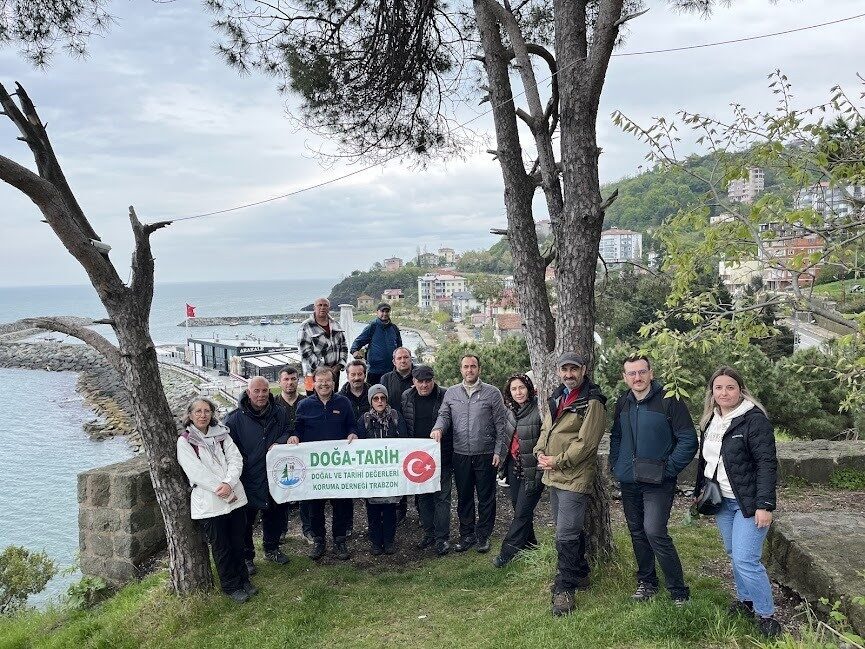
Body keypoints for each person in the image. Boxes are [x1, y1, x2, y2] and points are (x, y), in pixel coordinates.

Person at [695, 366, 781, 637]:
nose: (724, 392)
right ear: (712, 392)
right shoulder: (711, 420)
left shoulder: (753, 420)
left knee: (746, 559)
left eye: (730, 387)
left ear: (740, 390)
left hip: (748, 501)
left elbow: (767, 463)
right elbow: (708, 460)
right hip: (722, 501)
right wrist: (700, 490)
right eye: (718, 387)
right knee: (735, 554)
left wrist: (764, 505)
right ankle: (745, 601)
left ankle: (767, 615)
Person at [608, 354, 697, 605]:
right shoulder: (623, 402)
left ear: (651, 373)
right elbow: (616, 436)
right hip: (629, 480)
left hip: (658, 482)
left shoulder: (669, 401)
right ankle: (647, 582)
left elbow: (688, 440)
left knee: (655, 530)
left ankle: (678, 591)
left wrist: (667, 469)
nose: (638, 378)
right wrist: (617, 463)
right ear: (624, 377)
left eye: (642, 372)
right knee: (637, 532)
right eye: (632, 373)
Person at [533, 352, 607, 617]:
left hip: (574, 476)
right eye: (564, 369)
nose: (569, 374)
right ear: (558, 371)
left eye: (573, 369)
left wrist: (558, 461)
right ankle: (582, 573)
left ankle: (564, 589)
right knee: (567, 530)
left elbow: (587, 444)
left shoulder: (593, 402)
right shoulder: (558, 396)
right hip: (553, 474)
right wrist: (540, 451)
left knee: (565, 533)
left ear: (584, 370)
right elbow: (547, 429)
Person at [177, 398, 254, 603]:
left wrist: (229, 483)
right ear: (190, 415)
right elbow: (196, 472)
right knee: (222, 548)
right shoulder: (185, 442)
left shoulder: (221, 435)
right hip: (211, 503)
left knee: (238, 542)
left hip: (235, 497)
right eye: (198, 411)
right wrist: (222, 488)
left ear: (212, 413)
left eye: (207, 411)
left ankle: (244, 580)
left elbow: (235, 459)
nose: (203, 415)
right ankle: (231, 586)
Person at [432, 354, 508, 554]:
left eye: (473, 366)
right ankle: (467, 535)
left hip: (485, 453)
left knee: (486, 497)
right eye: (466, 367)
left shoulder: (492, 393)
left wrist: (499, 451)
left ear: (479, 369)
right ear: (461, 370)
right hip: (460, 454)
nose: (469, 370)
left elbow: (502, 425)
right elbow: (444, 416)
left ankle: (483, 536)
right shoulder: (452, 393)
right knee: (464, 497)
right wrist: (438, 428)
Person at [224, 376, 292, 574]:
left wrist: (281, 441)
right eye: (257, 391)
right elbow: (228, 451)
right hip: (248, 478)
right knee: (245, 521)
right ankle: (247, 557)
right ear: (248, 392)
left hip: (274, 475)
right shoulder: (234, 419)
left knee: (275, 514)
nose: (261, 395)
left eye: (264, 391)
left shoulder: (279, 412)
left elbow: (288, 430)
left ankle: (272, 548)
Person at [294, 366, 358, 561]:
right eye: (320, 381)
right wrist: (294, 437)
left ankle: (339, 540)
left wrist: (353, 433)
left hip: (338, 465)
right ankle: (319, 540)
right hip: (314, 466)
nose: (324, 384)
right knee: (315, 506)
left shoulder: (344, 402)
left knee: (341, 504)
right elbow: (297, 428)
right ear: (313, 383)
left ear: (333, 383)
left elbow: (352, 425)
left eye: (327, 381)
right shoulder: (304, 405)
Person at [493, 373, 543, 568]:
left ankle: (507, 553)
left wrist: (541, 471)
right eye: (514, 389)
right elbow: (506, 438)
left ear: (529, 389)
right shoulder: (510, 411)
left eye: (521, 387)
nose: (518, 392)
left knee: (521, 513)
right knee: (520, 509)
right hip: (515, 467)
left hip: (534, 469)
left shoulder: (539, 410)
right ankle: (531, 547)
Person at [402, 365, 452, 556]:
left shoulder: (445, 395)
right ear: (413, 381)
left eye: (427, 381)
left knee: (442, 498)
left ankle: (442, 538)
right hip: (417, 458)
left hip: (442, 455)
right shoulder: (407, 396)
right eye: (420, 381)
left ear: (433, 380)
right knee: (423, 498)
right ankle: (428, 533)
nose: (424, 385)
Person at [357, 384, 408, 555]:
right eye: (376, 398)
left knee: (389, 509)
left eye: (382, 398)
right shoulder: (364, 419)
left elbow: (404, 441)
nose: (379, 401)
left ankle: (389, 540)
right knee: (372, 509)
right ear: (371, 401)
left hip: (390, 473)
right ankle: (376, 542)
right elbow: (357, 446)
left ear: (386, 400)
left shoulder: (395, 416)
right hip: (371, 474)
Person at [274, 365, 313, 545]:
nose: (290, 383)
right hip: (281, 456)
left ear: (298, 380)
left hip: (304, 455)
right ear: (280, 381)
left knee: (305, 494)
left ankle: (308, 529)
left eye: (293, 379)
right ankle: (280, 529)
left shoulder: (307, 402)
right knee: (282, 493)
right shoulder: (273, 404)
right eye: (286, 379)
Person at [381, 346, 415, 522]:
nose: (403, 360)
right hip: (393, 433)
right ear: (394, 361)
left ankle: (420, 507)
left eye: (406, 357)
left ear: (411, 359)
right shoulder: (386, 378)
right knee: (398, 471)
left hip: (415, 430)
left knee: (416, 469)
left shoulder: (419, 376)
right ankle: (399, 507)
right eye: (399, 358)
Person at [298, 297, 348, 390]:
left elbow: (344, 346)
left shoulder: (335, 324)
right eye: (320, 305)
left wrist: (339, 365)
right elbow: (305, 352)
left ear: (329, 308)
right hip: (311, 374)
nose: (322, 307)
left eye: (325, 305)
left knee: (332, 400)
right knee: (312, 401)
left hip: (334, 372)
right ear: (314, 307)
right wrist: (323, 369)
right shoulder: (305, 326)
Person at [350, 303, 403, 385]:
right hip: (375, 370)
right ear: (377, 312)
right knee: (373, 394)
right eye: (382, 311)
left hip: (392, 369)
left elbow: (399, 347)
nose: (385, 314)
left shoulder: (394, 328)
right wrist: (354, 350)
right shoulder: (372, 327)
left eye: (387, 311)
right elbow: (359, 341)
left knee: (391, 395)